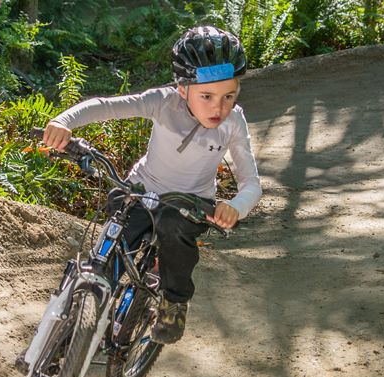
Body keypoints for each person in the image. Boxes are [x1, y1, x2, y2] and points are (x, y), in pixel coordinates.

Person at [41, 26, 262, 344]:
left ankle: (174, 302)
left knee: (174, 230)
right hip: (143, 188)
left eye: (229, 95)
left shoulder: (233, 123)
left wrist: (235, 207)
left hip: (191, 202)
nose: (218, 108)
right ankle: (85, 319)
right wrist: (64, 122)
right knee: (114, 247)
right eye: (207, 96)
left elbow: (251, 182)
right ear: (183, 89)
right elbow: (106, 106)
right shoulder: (163, 102)